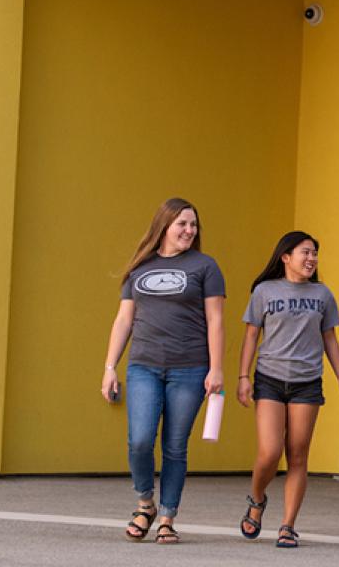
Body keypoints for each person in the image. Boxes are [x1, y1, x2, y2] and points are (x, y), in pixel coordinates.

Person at [100, 197, 225, 545]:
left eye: (193, 225)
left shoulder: (206, 266)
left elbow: (216, 320)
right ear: (165, 226)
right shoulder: (140, 267)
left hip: (190, 368)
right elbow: (124, 319)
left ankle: (167, 516)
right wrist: (110, 367)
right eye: (182, 224)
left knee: (174, 445)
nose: (189, 230)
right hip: (144, 366)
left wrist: (217, 368)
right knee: (139, 439)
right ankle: (145, 503)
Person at [237, 231, 339, 548]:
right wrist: (243, 377)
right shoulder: (264, 291)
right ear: (285, 256)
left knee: (298, 455)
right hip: (270, 379)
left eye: (315, 253)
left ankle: (288, 525)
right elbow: (251, 336)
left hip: (307, 382)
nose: (312, 258)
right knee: (270, 452)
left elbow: (329, 338)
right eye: (305, 252)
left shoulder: (323, 294)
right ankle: (257, 500)